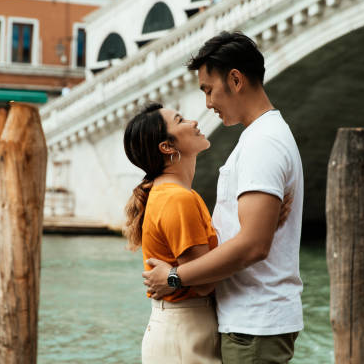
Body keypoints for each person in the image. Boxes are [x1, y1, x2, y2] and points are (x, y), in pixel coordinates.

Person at [142, 31, 304, 363]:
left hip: (254, 324)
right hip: (249, 321)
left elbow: (254, 245)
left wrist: (174, 276)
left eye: (208, 89)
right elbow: (250, 236)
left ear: (235, 79)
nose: (207, 104)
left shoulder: (263, 143)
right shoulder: (260, 138)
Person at [123, 103, 221, 363]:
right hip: (187, 333)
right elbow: (204, 282)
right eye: (181, 120)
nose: (194, 122)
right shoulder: (178, 199)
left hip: (178, 329)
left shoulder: (166, 193)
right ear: (167, 147)